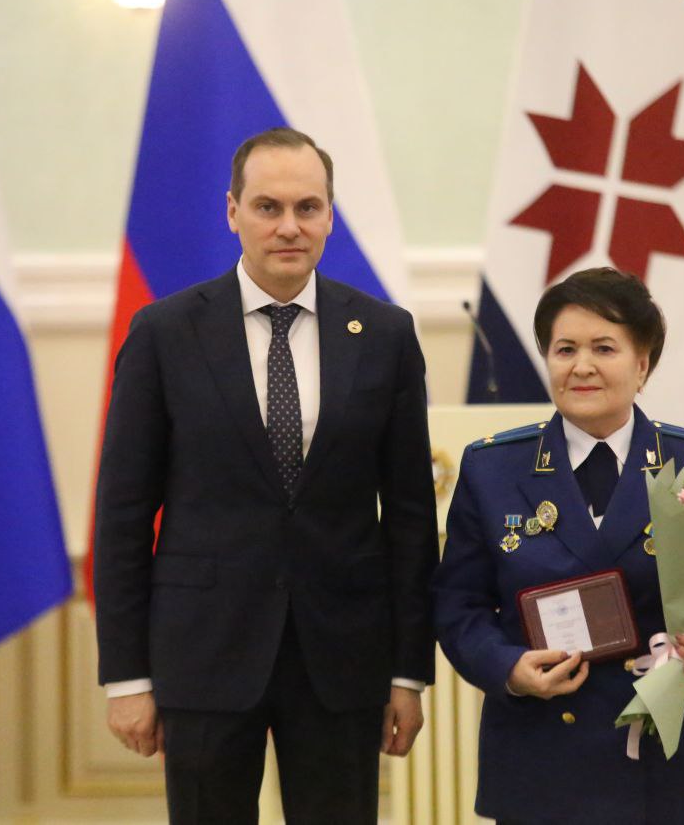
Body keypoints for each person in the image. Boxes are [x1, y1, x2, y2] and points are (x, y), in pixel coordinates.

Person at [93, 127, 439, 824]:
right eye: (268, 207)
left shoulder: (384, 334)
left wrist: (408, 672)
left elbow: (409, 518)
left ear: (330, 216)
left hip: (342, 660)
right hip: (204, 656)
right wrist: (126, 677)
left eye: (308, 207)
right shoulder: (164, 334)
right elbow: (123, 516)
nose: (289, 227)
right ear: (233, 212)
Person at [432, 267, 684, 824]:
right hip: (542, 757)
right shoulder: (492, 467)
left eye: (604, 348)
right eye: (565, 349)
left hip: (670, 762)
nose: (582, 365)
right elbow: (458, 605)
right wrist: (510, 668)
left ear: (642, 364)